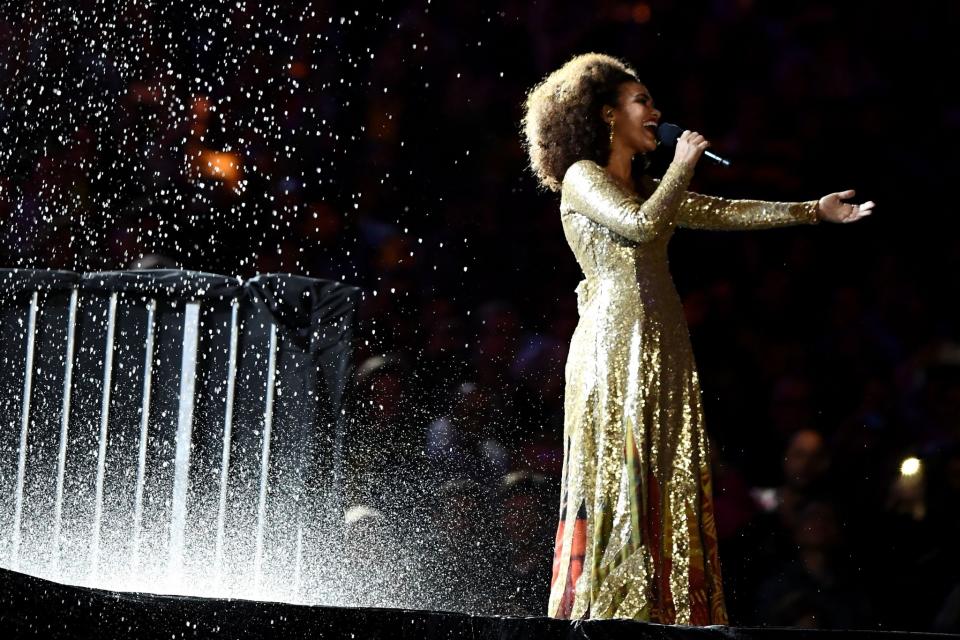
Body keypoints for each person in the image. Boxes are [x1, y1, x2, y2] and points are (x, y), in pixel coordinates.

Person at [519, 52, 873, 624]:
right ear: (608, 115)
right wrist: (683, 164)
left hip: (664, 340)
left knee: (665, 465)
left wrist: (813, 211)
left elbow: (724, 211)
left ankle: (660, 605)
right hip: (615, 342)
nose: (656, 112)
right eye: (643, 102)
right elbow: (639, 227)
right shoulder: (584, 177)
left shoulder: (648, 184)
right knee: (623, 465)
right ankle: (613, 604)